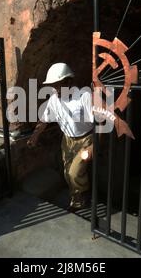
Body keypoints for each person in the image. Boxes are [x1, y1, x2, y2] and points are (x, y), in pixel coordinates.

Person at [27, 63, 94, 211]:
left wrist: (92, 146)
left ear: (69, 82)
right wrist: (35, 135)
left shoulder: (85, 96)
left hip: (86, 139)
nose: (54, 89)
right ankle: (76, 195)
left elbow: (101, 122)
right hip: (67, 140)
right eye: (52, 85)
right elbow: (44, 120)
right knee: (67, 171)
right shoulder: (54, 100)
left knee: (74, 172)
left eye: (57, 85)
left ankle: (81, 197)